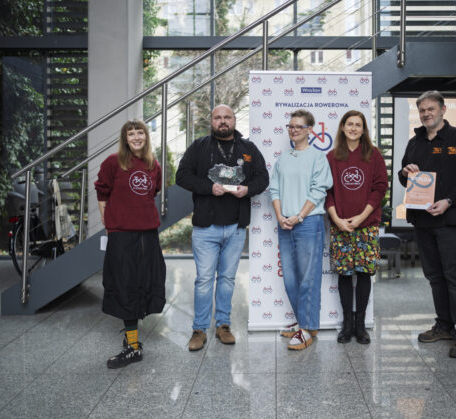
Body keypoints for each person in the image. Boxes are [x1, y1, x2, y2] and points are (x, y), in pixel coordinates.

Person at [176, 104, 269, 351]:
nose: (223, 121)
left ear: (234, 120)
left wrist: (247, 190)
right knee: (204, 280)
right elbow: (181, 176)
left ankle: (223, 325)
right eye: (218, 117)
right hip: (206, 228)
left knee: (227, 279)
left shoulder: (248, 149)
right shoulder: (199, 147)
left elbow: (263, 178)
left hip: (236, 227)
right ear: (212, 121)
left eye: (227, 117)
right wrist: (209, 187)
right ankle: (199, 329)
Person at [398, 90, 456, 358]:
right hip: (422, 220)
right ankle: (444, 326)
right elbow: (404, 177)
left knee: (455, 279)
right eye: (422, 110)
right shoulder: (415, 142)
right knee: (434, 277)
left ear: (443, 109)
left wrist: (448, 201)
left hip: (450, 219)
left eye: (431, 109)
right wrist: (404, 172)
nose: (426, 114)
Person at [95, 119, 166, 369]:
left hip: (148, 235)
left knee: (144, 285)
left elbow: (152, 193)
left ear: (146, 137)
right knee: (125, 287)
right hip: (122, 235)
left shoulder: (153, 164)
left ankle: (133, 343)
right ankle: (133, 346)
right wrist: (107, 221)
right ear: (125, 139)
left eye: (140, 133)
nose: (136, 137)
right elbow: (102, 193)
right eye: (131, 134)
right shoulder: (113, 162)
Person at [270, 109, 333, 350]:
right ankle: (305, 323)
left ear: (309, 130)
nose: (293, 130)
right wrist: (280, 216)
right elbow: (274, 189)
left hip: (308, 223)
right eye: (291, 126)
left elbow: (319, 191)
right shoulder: (283, 158)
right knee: (290, 278)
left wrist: (299, 216)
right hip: (285, 223)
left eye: (299, 126)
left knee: (308, 277)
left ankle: (306, 330)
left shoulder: (318, 157)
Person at [325, 110, 388, 345]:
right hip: (340, 225)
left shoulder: (374, 155)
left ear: (363, 130)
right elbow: (326, 191)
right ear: (342, 127)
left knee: (363, 273)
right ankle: (347, 325)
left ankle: (360, 325)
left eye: (358, 125)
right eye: (349, 124)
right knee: (344, 274)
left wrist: (362, 217)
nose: (353, 128)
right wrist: (336, 219)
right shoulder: (332, 157)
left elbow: (380, 188)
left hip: (366, 225)